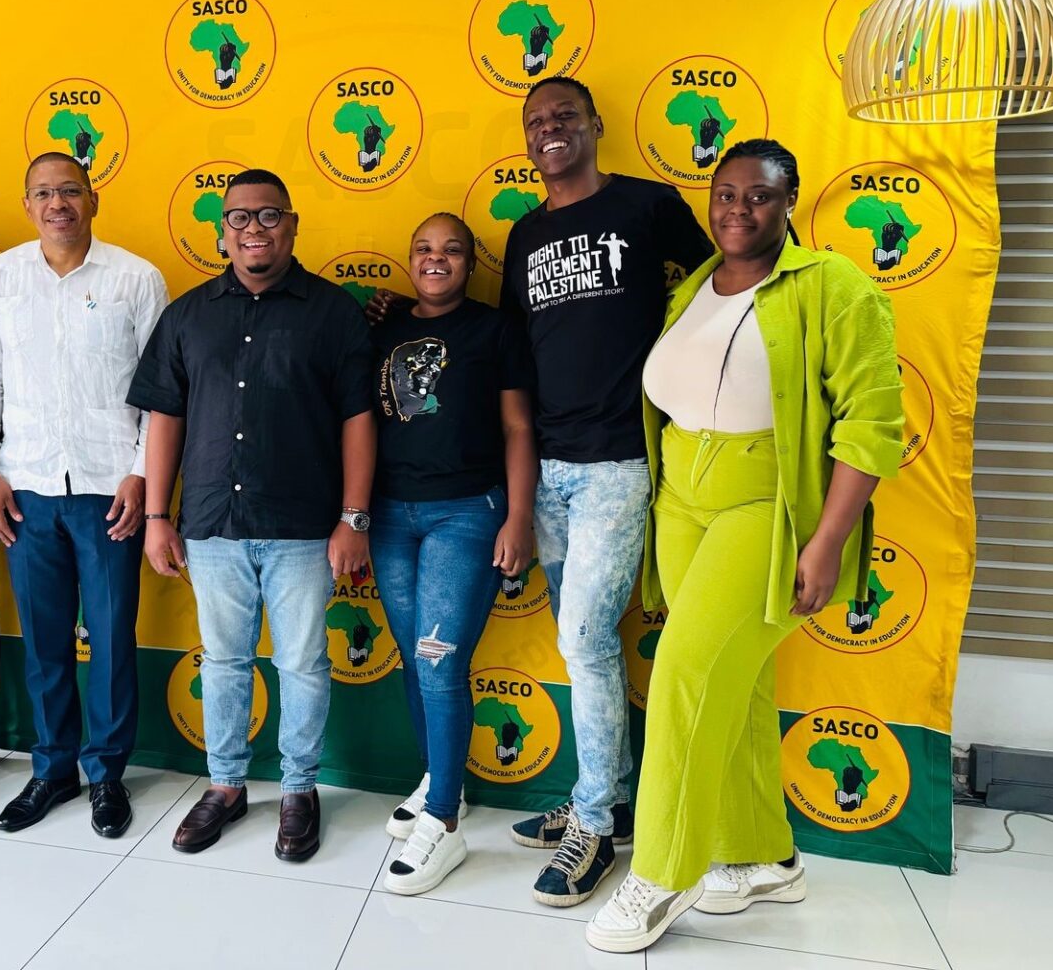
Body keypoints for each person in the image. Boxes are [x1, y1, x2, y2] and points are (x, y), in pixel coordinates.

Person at [587, 139, 903, 953]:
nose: (738, 209)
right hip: (681, 497)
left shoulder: (834, 285)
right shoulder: (695, 284)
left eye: (758, 196)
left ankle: (662, 871)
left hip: (767, 500)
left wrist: (827, 541)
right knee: (740, 686)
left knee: (686, 677)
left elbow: (873, 426)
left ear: (790, 202)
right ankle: (765, 855)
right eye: (725, 194)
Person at [501, 76, 713, 906]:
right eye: (535, 121)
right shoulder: (525, 234)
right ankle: (611, 800)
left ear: (594, 125)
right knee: (581, 641)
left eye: (564, 116)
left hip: (619, 462)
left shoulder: (646, 204)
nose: (549, 129)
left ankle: (594, 823)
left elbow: (720, 284)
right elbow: (516, 353)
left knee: (586, 639)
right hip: (549, 467)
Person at [127, 168, 375, 863]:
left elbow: (359, 420)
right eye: (239, 217)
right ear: (222, 232)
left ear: (291, 225)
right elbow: (164, 418)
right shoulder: (188, 315)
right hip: (211, 524)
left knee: (302, 664)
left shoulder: (333, 313)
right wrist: (157, 515)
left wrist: (354, 518)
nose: (254, 228)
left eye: (269, 215)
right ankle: (227, 785)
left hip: (304, 527)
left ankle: (299, 789)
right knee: (225, 662)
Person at [0, 153, 167, 837]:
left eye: (70, 191)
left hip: (110, 490)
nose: (58, 204)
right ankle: (52, 770)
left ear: (93, 199)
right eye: (44, 193)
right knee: (44, 641)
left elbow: (161, 390)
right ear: (27, 205)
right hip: (27, 488)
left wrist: (140, 472)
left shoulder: (136, 279)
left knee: (109, 639)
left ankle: (106, 774)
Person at [369, 213, 536, 895]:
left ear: (471, 263)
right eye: (423, 248)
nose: (435, 259)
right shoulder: (381, 326)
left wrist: (519, 517)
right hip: (389, 514)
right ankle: (444, 782)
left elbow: (518, 427)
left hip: (466, 512)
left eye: (452, 250)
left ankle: (443, 823)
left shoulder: (495, 330)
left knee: (438, 661)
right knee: (415, 657)